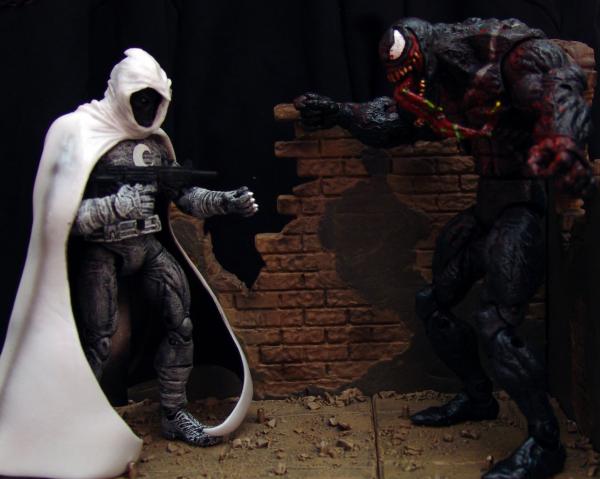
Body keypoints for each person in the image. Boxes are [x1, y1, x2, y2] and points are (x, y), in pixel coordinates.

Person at [295, 17, 593, 479]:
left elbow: (562, 81)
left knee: (496, 324)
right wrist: (340, 112)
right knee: (433, 302)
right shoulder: (440, 90)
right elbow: (397, 122)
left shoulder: (504, 58)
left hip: (523, 209)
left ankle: (545, 441)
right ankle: (478, 397)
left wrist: (562, 138)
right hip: (487, 206)